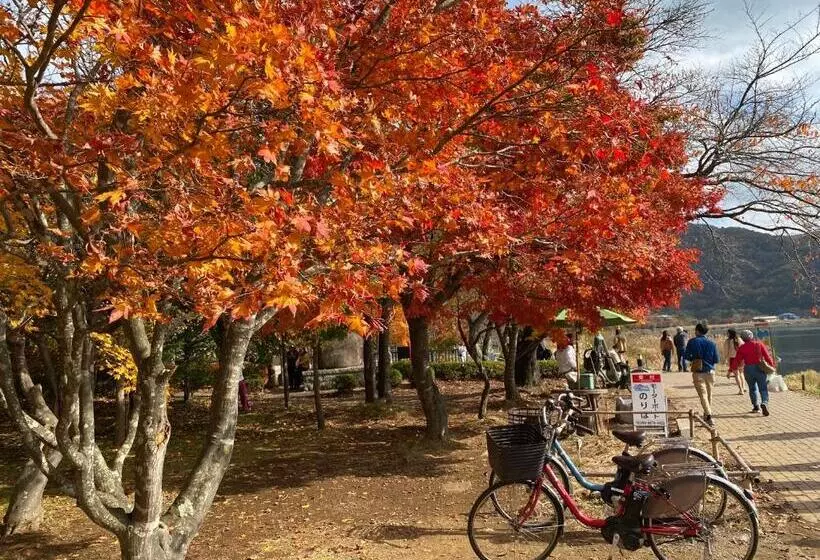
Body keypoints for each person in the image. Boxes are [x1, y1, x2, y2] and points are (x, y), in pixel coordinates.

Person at [685, 323, 719, 426]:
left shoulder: (692, 342)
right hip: (710, 371)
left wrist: (694, 359)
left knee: (703, 395)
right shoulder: (712, 343)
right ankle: (706, 414)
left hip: (698, 372)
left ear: (697, 331)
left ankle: (709, 416)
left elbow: (687, 356)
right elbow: (716, 359)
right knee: (709, 394)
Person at [735, 330, 776, 416]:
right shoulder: (759, 344)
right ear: (752, 336)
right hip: (759, 368)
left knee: (752, 388)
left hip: (748, 369)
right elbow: (767, 356)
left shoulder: (742, 347)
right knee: (763, 388)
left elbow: (737, 360)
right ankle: (764, 402)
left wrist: (731, 369)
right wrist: (772, 365)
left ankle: (756, 406)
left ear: (742, 338)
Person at [724, 329, 745, 395]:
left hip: (733, 359)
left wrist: (726, 358)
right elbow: (743, 347)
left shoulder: (728, 341)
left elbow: (726, 351)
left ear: (730, 334)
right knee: (741, 373)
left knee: (736, 374)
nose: (727, 334)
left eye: (727, 333)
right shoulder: (739, 339)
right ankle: (744, 387)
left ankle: (741, 389)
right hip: (741, 359)